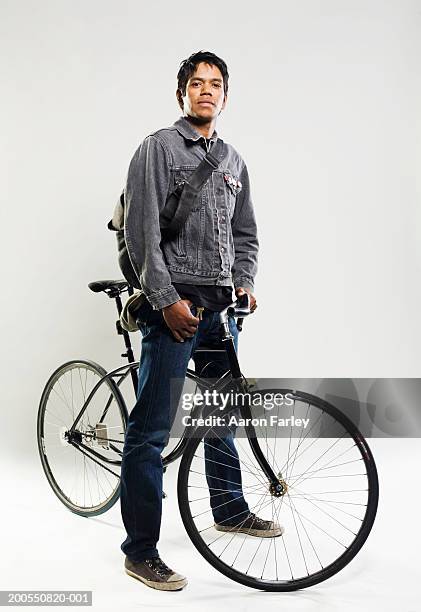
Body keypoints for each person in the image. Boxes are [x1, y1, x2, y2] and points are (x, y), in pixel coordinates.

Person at [120, 50, 283, 592]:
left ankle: (230, 508)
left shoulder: (234, 160)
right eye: (196, 83)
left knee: (219, 412)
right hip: (176, 310)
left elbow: (246, 235)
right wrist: (165, 300)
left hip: (219, 310)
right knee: (151, 431)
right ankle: (140, 550)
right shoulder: (157, 149)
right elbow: (140, 234)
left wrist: (245, 281)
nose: (205, 91)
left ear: (225, 96)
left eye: (214, 84)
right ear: (182, 93)